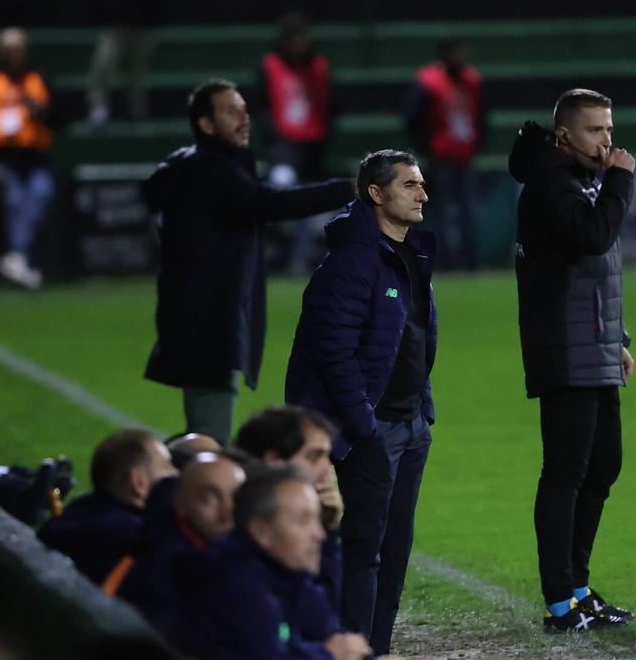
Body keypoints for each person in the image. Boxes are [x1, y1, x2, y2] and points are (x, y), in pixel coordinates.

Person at [142, 79, 355, 444]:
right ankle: (147, 474)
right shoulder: (212, 169)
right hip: (207, 319)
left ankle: (153, 468)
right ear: (207, 125)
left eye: (244, 110)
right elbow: (270, 203)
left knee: (206, 433)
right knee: (209, 444)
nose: (243, 119)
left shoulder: (195, 164)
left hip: (197, 314)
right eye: (230, 111)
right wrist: (348, 189)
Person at [285, 149, 436, 655]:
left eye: (421, 184)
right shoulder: (350, 263)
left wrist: (423, 406)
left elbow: (415, 337)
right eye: (410, 185)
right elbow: (334, 352)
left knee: (395, 548)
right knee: (362, 548)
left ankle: (378, 646)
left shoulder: (411, 253)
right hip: (370, 428)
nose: (423, 194)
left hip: (410, 423)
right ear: (377, 193)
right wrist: (363, 425)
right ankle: (351, 648)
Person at [507, 88, 636, 632]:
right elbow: (591, 236)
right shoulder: (550, 185)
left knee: (604, 465)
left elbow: (596, 272)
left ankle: (579, 590)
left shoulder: (577, 180)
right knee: (566, 473)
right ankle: (560, 602)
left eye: (609, 130)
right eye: (594, 131)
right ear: (564, 135)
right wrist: (620, 182)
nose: (607, 141)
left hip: (594, 345)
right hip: (564, 348)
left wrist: (618, 338)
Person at [175, 466, 372, 660]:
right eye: (304, 521)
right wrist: (330, 655)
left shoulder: (283, 574)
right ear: (262, 532)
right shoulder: (238, 584)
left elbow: (321, 627)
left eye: (317, 520)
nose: (319, 534)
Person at [115, 453, 246, 633]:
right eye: (209, 499)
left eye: (237, 499)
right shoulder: (171, 572)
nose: (227, 513)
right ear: (180, 503)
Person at [235, 406, 345, 608]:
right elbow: (309, 619)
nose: (327, 472)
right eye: (314, 457)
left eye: (327, 457)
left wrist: (327, 525)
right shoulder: (239, 543)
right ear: (274, 461)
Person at [38, 429, 177, 585]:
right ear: (139, 483)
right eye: (168, 467)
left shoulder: (77, 513)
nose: (177, 474)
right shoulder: (135, 540)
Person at [255, 13, 337, 275]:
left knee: (310, 208)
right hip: (284, 146)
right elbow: (259, 105)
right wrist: (274, 133)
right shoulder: (271, 66)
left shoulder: (320, 66)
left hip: (313, 146)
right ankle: (270, 242)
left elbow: (332, 103)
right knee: (282, 184)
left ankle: (298, 261)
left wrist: (324, 131)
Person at [0, 27, 55, 290]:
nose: (14, 55)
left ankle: (17, 257)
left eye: (18, 49)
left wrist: (42, 113)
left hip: (34, 158)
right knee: (14, 200)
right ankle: (18, 258)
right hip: (1, 159)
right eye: (9, 50)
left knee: (41, 194)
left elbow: (60, 117)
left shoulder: (39, 79)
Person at [404, 37, 486, 271]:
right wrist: (425, 147)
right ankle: (444, 259)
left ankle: (471, 259)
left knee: (469, 209)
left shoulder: (472, 80)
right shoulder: (429, 81)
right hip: (440, 155)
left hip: (466, 153)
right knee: (443, 211)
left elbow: (481, 113)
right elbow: (412, 116)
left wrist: (479, 142)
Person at [86, 0, 165, 124]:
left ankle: (138, 111)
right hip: (116, 24)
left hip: (144, 24)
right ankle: (99, 107)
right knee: (104, 65)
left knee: (137, 73)